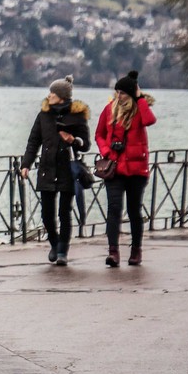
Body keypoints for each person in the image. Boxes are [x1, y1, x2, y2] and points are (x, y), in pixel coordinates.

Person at [19, 76, 91, 266]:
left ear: (61, 96)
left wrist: (73, 141)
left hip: (68, 169)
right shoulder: (43, 114)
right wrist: (25, 164)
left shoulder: (77, 115)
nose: (49, 95)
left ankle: (62, 252)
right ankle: (54, 242)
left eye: (53, 93)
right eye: (50, 92)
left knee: (64, 212)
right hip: (47, 168)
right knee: (46, 214)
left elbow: (86, 144)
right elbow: (33, 141)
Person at [95, 70, 157, 267]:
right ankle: (113, 252)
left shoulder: (139, 110)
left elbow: (150, 120)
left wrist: (140, 98)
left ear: (131, 94)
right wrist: (106, 150)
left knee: (134, 210)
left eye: (122, 93)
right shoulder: (109, 110)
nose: (118, 96)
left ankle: (136, 250)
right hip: (114, 167)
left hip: (137, 169)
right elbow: (99, 134)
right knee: (113, 209)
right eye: (117, 92)